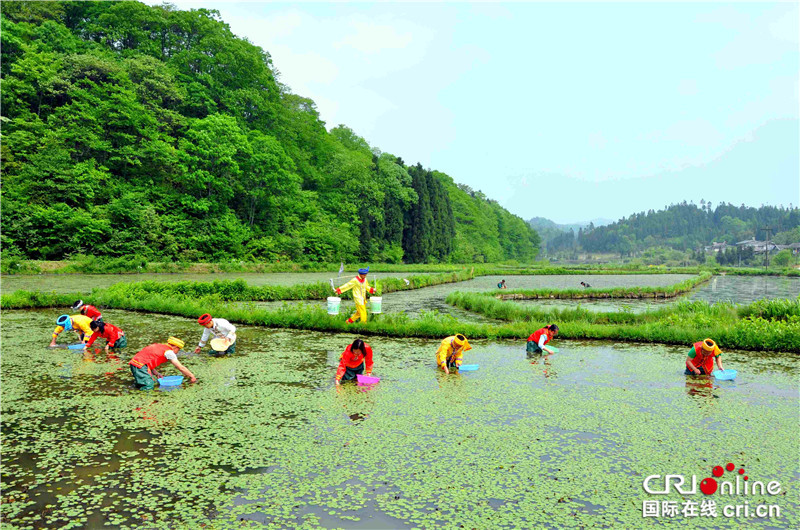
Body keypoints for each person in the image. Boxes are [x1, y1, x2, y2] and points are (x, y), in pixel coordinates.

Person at [129, 337, 197, 390]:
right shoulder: (169, 352)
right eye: (178, 350)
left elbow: (149, 361)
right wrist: (192, 376)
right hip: (140, 366)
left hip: (136, 364)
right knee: (149, 385)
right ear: (175, 347)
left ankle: (134, 388)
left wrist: (157, 374)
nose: (177, 352)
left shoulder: (160, 346)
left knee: (144, 381)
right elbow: (180, 367)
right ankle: (144, 400)